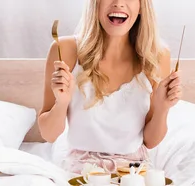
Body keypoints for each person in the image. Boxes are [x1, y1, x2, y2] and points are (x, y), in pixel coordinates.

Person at [37, 0, 181, 174]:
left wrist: (162, 108)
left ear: (141, 6)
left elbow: (150, 141)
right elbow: (48, 134)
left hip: (134, 171)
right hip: (79, 169)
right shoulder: (64, 50)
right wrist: (61, 103)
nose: (119, 3)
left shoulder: (157, 57)